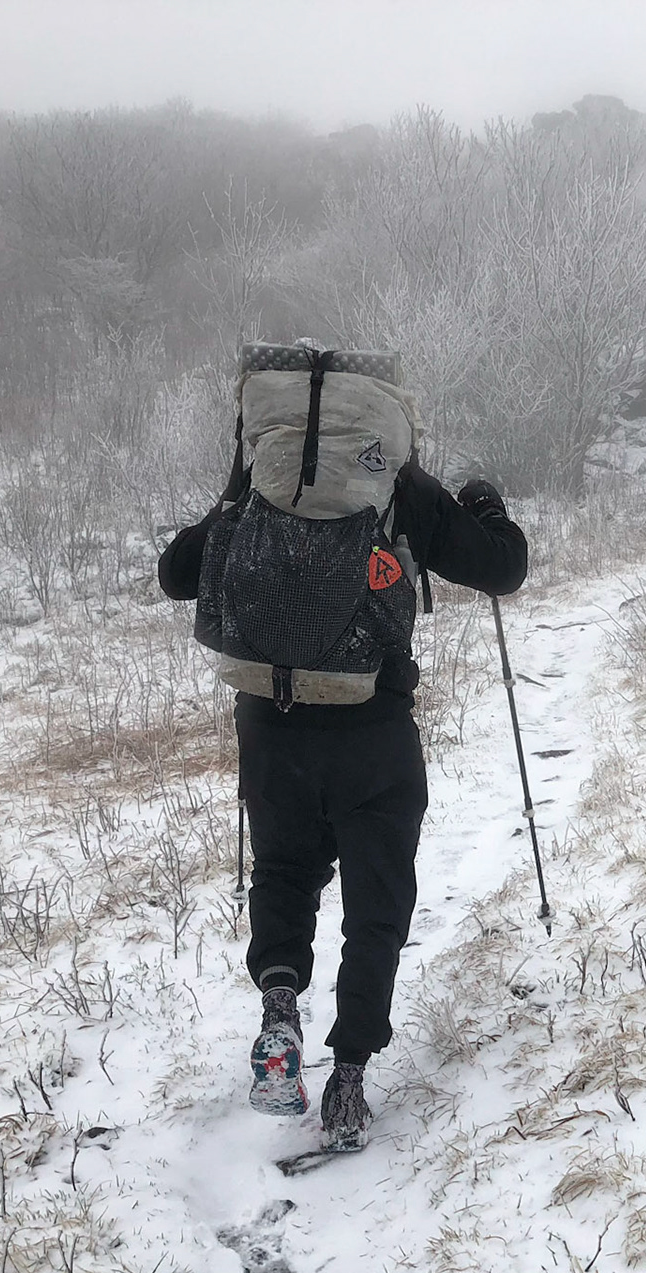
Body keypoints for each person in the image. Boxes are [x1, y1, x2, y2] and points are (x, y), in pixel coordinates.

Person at [158, 453, 526, 1151]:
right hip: (371, 733)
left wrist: (229, 502)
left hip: (272, 728)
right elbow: (504, 570)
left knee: (286, 873)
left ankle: (278, 1002)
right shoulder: (397, 483)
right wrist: (486, 508)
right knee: (376, 907)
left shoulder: (263, 482)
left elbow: (176, 575)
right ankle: (349, 1077)